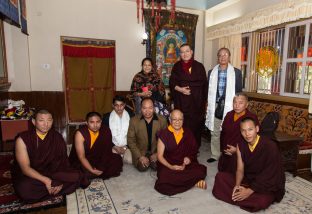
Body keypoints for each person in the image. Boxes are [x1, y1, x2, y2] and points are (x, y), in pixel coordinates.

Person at [12, 109, 88, 203]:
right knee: (24, 188)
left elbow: (63, 163)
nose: (46, 124)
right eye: (41, 120)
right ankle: (56, 187)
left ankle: (56, 187)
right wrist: (46, 180)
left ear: (52, 121)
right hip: (33, 174)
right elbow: (25, 168)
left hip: (53, 172)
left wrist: (59, 182)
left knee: (77, 176)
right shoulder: (23, 139)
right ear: (34, 122)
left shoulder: (57, 137)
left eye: (49, 120)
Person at [212, 117, 285, 212]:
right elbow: (240, 170)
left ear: (257, 129)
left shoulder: (270, 146)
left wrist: (249, 191)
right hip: (249, 180)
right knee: (220, 177)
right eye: (243, 131)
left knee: (262, 201)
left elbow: (270, 173)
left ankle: (241, 197)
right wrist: (237, 186)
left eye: (250, 129)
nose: (247, 134)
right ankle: (241, 196)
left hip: (265, 183)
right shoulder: (240, 145)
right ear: (240, 132)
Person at [154, 109, 207, 196]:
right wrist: (171, 167)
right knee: (163, 179)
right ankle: (193, 182)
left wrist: (188, 159)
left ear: (183, 120)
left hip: (184, 165)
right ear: (170, 120)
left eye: (180, 119)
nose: (177, 122)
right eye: (174, 119)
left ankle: (183, 182)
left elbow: (193, 151)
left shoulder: (187, 132)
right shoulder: (164, 134)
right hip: (168, 165)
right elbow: (160, 156)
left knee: (202, 170)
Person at [205, 47, 242, 163]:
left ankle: (228, 153)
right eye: (220, 55)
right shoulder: (211, 72)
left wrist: (238, 106)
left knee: (229, 131)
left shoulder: (236, 72)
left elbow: (239, 91)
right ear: (218, 58)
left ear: (229, 57)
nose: (223, 57)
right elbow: (208, 91)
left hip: (231, 106)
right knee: (215, 131)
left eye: (225, 55)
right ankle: (215, 154)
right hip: (215, 105)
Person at [169, 43, 208, 146]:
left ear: (191, 52)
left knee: (196, 126)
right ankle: (181, 147)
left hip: (197, 103)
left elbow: (204, 85)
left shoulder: (199, 66)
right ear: (180, 54)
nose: (185, 54)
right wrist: (181, 89)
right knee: (182, 125)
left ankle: (194, 148)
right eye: (182, 52)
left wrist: (205, 103)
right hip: (181, 102)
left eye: (187, 51)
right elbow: (172, 83)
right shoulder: (177, 66)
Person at [69, 112, 122, 180]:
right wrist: (92, 170)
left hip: (98, 158)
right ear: (86, 123)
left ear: (101, 122)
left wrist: (102, 167)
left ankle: (95, 173)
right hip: (83, 160)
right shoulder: (80, 133)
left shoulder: (105, 130)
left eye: (98, 122)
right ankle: (91, 173)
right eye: (92, 122)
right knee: (77, 173)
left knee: (117, 160)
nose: (95, 125)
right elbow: (81, 157)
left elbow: (107, 151)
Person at [218, 93, 259, 174]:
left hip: (243, 154)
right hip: (227, 152)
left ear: (246, 105)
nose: (237, 105)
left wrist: (237, 150)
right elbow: (223, 133)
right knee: (222, 171)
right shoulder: (229, 114)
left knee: (236, 174)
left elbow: (254, 140)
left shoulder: (251, 118)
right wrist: (223, 148)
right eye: (235, 102)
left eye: (240, 103)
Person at [127, 97, 167, 171]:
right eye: (144, 108)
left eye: (150, 108)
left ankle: (154, 158)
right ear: (141, 108)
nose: (147, 111)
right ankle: (143, 158)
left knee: (157, 167)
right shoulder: (133, 121)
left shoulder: (162, 120)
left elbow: (166, 139)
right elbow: (130, 141)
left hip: (156, 150)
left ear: (154, 108)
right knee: (142, 167)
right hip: (141, 151)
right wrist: (140, 156)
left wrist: (157, 154)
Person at [102, 95, 134, 164]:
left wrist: (125, 147)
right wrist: (114, 146)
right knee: (108, 159)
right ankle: (117, 158)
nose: (119, 108)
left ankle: (120, 158)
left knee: (130, 160)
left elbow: (134, 135)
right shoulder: (107, 117)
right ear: (113, 105)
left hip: (127, 146)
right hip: (113, 146)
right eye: (116, 105)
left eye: (121, 105)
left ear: (124, 105)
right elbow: (104, 135)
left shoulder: (131, 116)